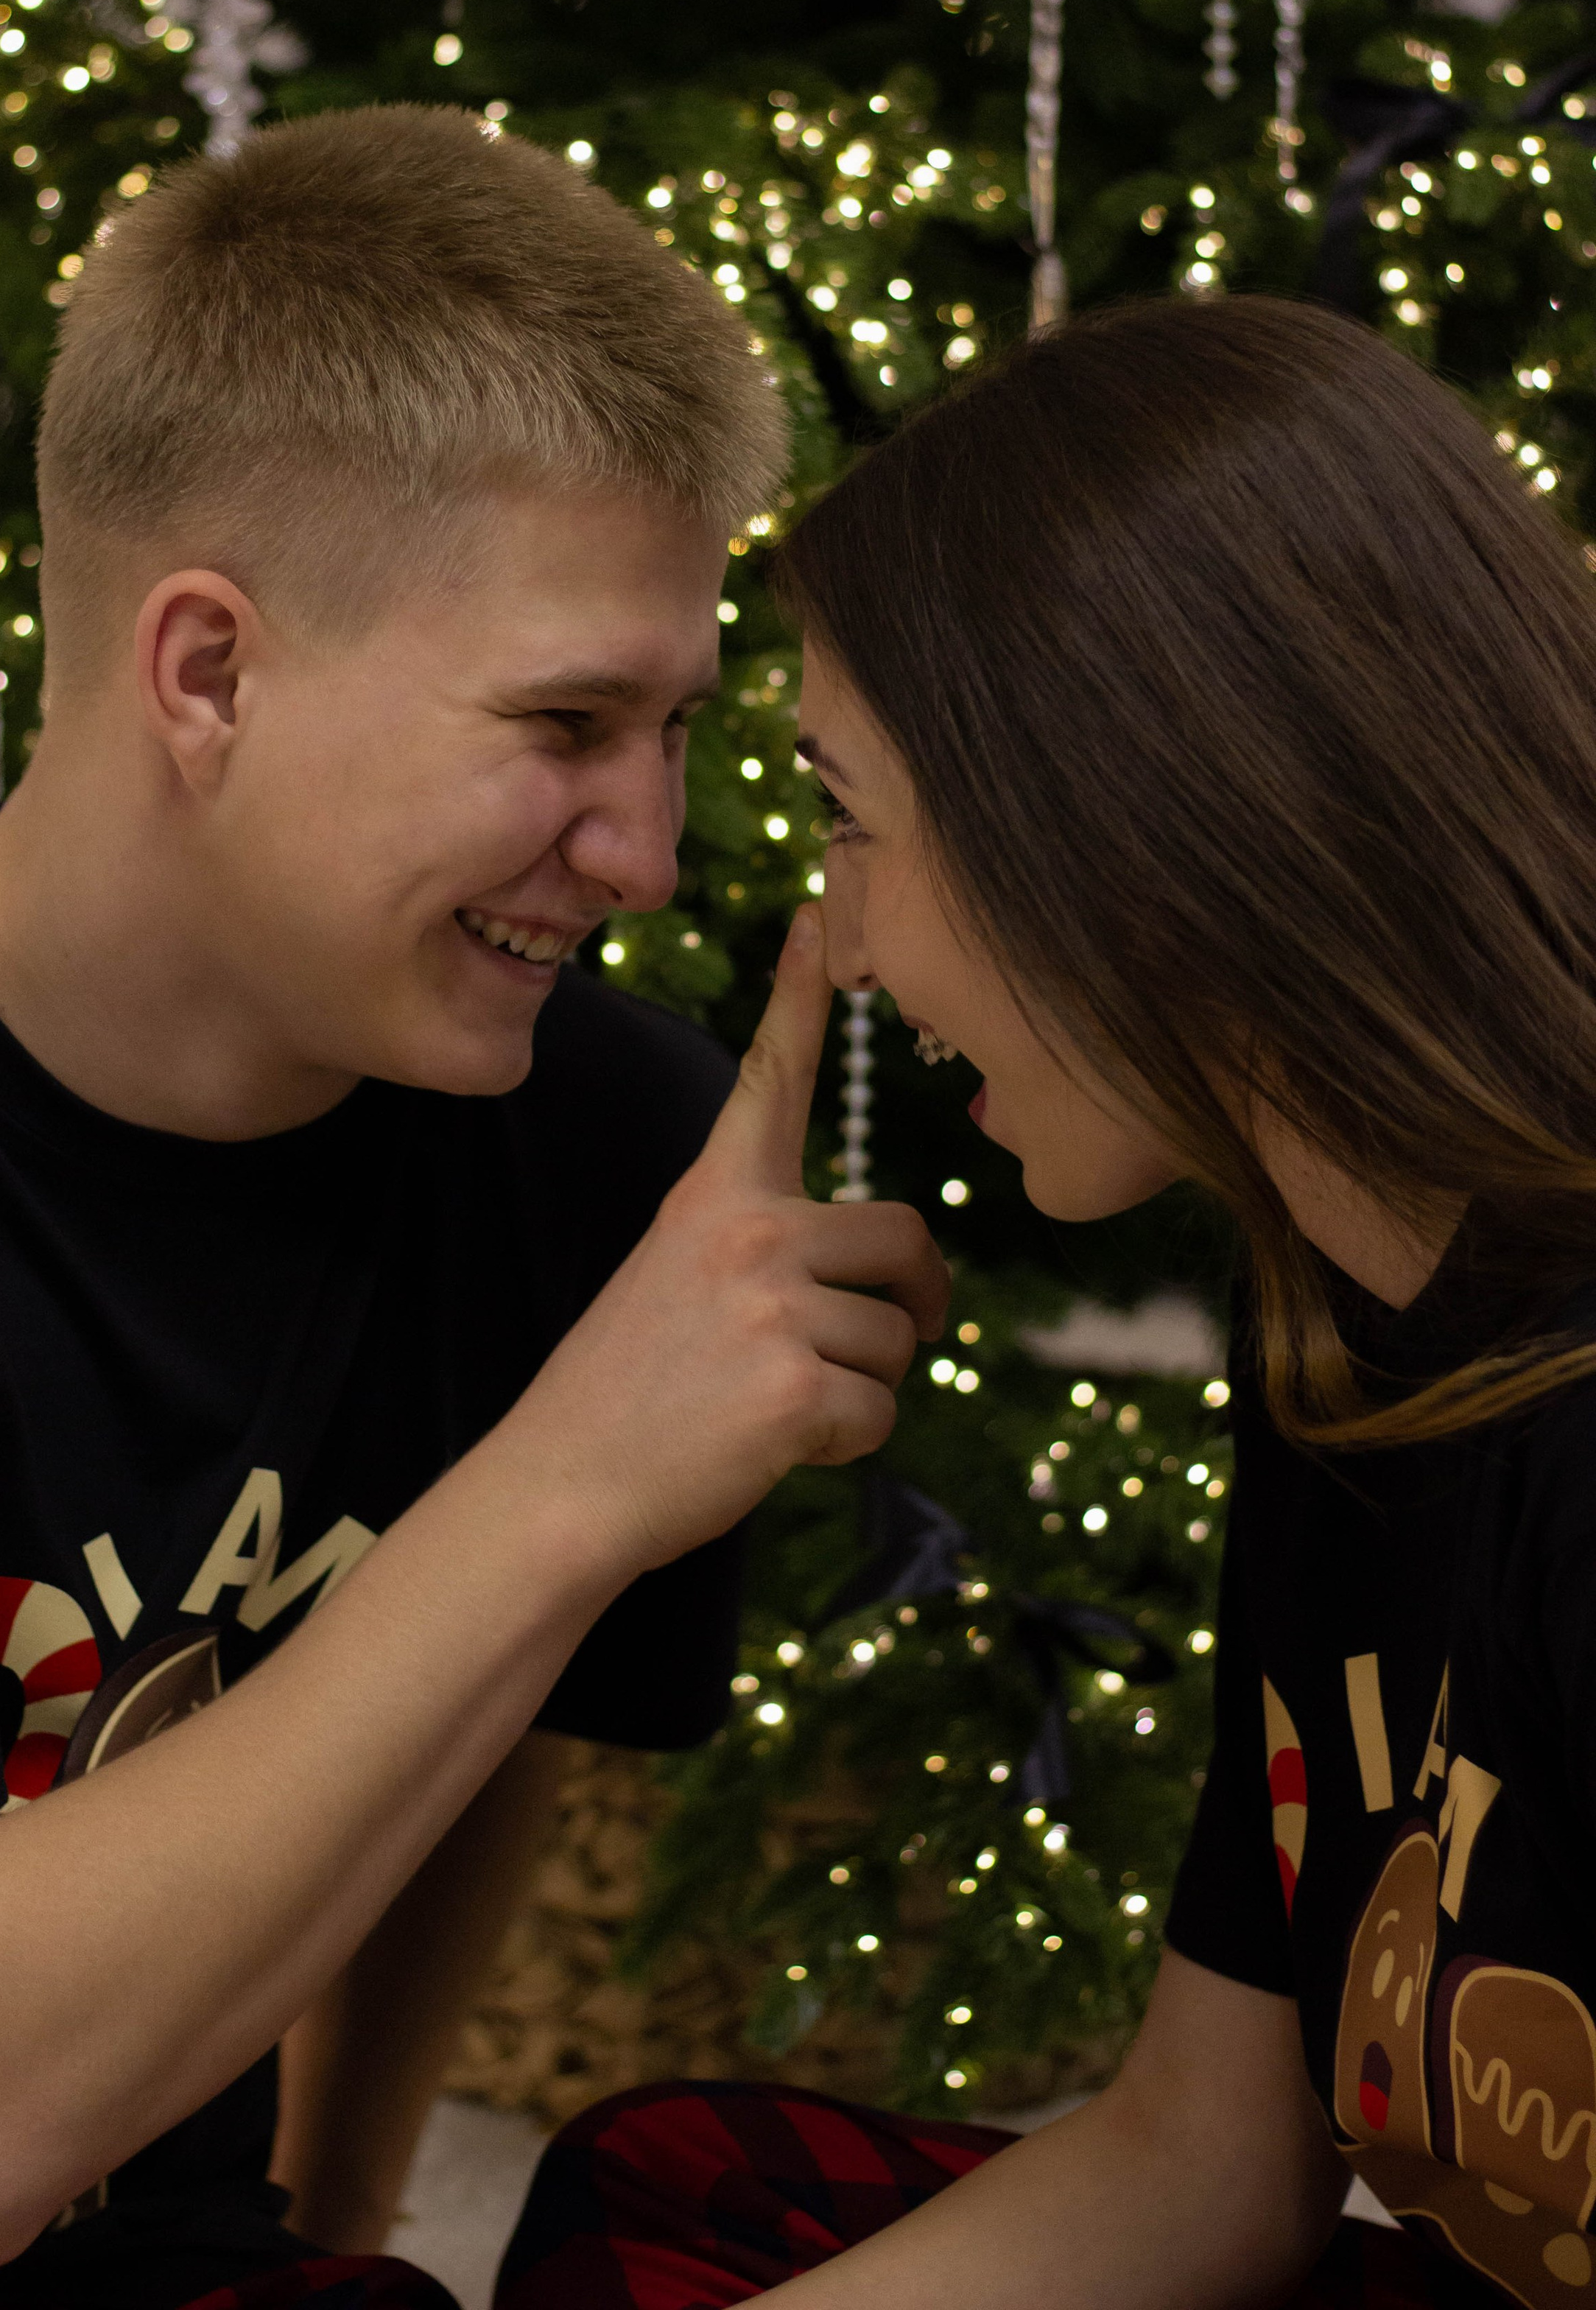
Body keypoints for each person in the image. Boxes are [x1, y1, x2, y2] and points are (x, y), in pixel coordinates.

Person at [0, 105, 946, 2305]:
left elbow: (476, 1749)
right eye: (565, 721)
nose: (646, 852)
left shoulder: (602, 1152)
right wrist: (583, 1461)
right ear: (207, 670)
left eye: (676, 728)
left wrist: (347, 2226)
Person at [483, 291, 1596, 2310]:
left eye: (846, 814)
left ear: (1113, 829)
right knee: (670, 2189)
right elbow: (1205, 2160)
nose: (834, 926)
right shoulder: (1341, 1330)